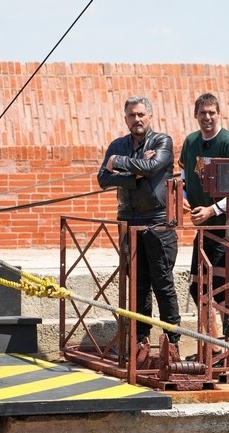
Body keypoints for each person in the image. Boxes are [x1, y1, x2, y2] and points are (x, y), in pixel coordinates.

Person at [97, 95, 181, 352]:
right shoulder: (118, 143)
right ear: (125, 119)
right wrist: (135, 175)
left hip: (157, 223)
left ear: (150, 117)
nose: (137, 119)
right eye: (132, 115)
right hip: (128, 221)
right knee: (138, 283)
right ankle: (140, 339)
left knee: (162, 282)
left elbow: (154, 165)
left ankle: (172, 340)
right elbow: (103, 179)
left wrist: (118, 165)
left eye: (141, 115)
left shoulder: (162, 140)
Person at [178, 93, 229, 361]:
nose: (207, 117)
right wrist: (182, 200)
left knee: (219, 289)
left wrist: (211, 209)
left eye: (212, 113)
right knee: (199, 288)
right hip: (204, 227)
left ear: (219, 114)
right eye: (202, 113)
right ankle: (215, 347)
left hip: (226, 225)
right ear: (195, 115)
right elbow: (183, 177)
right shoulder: (191, 142)